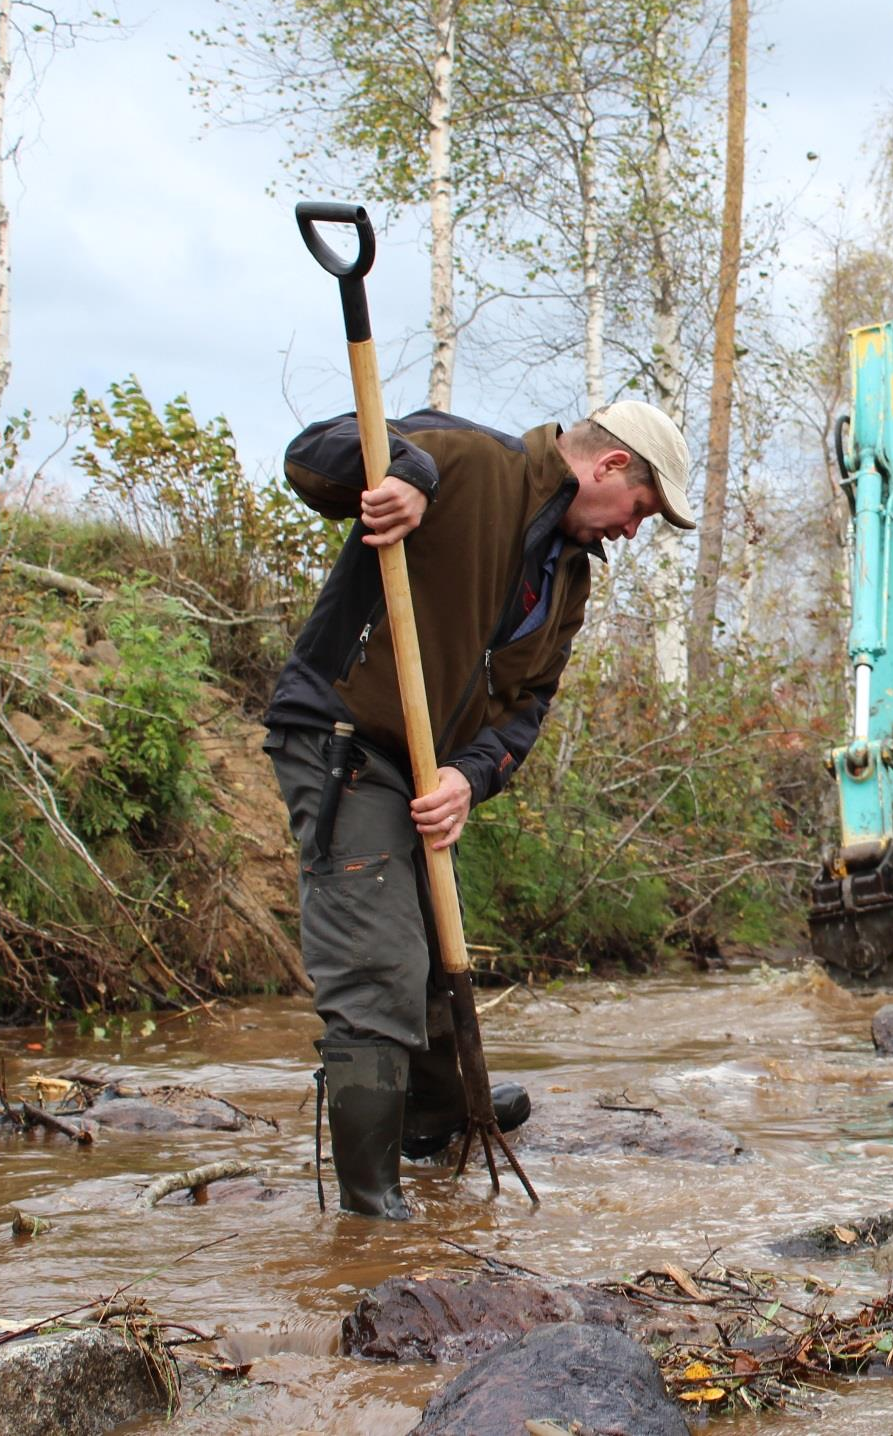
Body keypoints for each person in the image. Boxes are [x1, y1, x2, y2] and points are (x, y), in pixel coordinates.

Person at [263, 400, 696, 1218]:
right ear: (608, 468)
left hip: (426, 770)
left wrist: (470, 773)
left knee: (433, 945)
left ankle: (433, 1117)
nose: (633, 532)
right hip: (343, 737)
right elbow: (309, 457)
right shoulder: (466, 459)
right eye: (640, 509)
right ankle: (370, 1212)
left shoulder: (568, 579)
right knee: (377, 964)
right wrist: (406, 478)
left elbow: (524, 711)